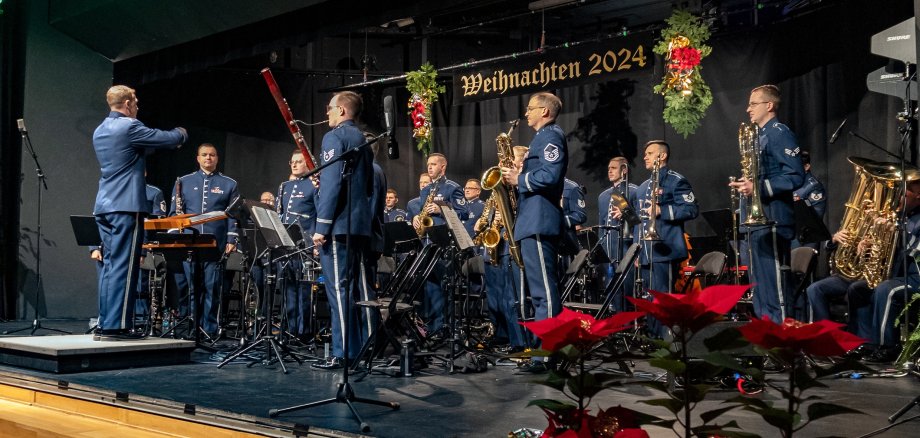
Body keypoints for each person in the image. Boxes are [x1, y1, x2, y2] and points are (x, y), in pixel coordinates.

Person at [92, 85, 187, 341]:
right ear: (127, 104)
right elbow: (165, 138)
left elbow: (137, 150)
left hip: (105, 204)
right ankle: (117, 327)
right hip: (126, 205)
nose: (137, 108)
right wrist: (181, 133)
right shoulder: (129, 126)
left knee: (110, 266)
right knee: (125, 266)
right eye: (135, 103)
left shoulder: (100, 130)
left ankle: (105, 323)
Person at [501, 92, 567, 373]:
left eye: (530, 109)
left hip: (539, 220)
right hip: (531, 220)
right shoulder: (542, 138)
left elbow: (551, 176)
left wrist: (521, 177)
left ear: (545, 111)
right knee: (539, 292)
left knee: (545, 293)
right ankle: (542, 352)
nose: (526, 114)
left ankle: (548, 354)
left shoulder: (551, 136)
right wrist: (521, 171)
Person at [729, 85, 805, 323]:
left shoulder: (779, 132)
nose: (747, 108)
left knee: (775, 289)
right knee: (760, 290)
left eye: (753, 104)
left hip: (772, 219)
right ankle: (767, 339)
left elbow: (795, 176)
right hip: (755, 223)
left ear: (769, 106)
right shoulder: (758, 135)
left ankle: (782, 343)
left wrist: (758, 188)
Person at [311, 91, 376, 370]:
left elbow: (333, 186)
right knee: (357, 292)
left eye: (329, 109)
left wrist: (321, 226)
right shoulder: (364, 140)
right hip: (359, 225)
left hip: (338, 226)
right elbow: (369, 187)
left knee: (338, 292)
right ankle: (362, 348)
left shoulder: (334, 137)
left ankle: (342, 352)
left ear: (341, 110)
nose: (327, 114)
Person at [169, 143, 240, 338]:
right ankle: (192, 327)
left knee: (212, 287)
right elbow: (174, 214)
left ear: (217, 158)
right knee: (192, 287)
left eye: (212, 155)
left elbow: (233, 216)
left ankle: (209, 329)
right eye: (204, 155)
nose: (208, 158)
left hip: (214, 245)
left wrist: (231, 239)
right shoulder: (182, 181)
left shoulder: (229, 183)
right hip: (188, 244)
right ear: (198, 158)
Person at [849, 179, 920, 363]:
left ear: (918, 195)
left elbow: (913, 248)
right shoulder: (901, 217)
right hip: (900, 275)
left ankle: (887, 347)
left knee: (886, 290)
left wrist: (895, 231)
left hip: (916, 278)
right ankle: (865, 343)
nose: (898, 198)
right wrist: (872, 242)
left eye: (904, 194)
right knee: (859, 289)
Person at [634, 140, 699, 338]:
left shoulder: (676, 180)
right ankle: (654, 340)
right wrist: (637, 250)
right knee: (649, 298)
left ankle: (667, 340)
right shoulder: (643, 186)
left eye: (650, 153)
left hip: (665, 249)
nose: (645, 157)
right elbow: (640, 221)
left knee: (663, 299)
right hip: (646, 251)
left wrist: (663, 210)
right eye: (645, 153)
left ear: (662, 156)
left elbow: (691, 209)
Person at [412, 153, 469, 336]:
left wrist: (441, 209)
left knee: (446, 286)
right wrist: (416, 218)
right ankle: (435, 328)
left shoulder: (453, 188)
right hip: (428, 243)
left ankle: (448, 328)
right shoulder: (425, 190)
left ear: (443, 167)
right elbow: (423, 212)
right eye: (428, 164)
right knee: (431, 288)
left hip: (445, 245)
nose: (430, 167)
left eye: (434, 164)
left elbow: (464, 214)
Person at [276, 149, 318, 343]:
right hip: (286, 245)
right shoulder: (284, 186)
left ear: (307, 164)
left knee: (303, 290)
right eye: (292, 162)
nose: (294, 164)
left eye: (299, 161)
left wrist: (316, 244)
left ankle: (304, 332)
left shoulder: (314, 185)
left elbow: (318, 215)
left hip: (305, 245)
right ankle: (290, 328)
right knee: (287, 288)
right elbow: (280, 214)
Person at [598, 156, 638, 311]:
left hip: (626, 250)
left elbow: (638, 224)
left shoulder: (634, 191)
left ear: (624, 170)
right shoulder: (603, 196)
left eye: (613, 168)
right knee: (611, 293)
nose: (610, 171)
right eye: (609, 168)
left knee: (627, 291)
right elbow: (602, 227)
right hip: (608, 252)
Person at [792, 150, 827, 250]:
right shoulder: (791, 183)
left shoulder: (814, 187)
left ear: (806, 167)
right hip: (791, 237)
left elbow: (814, 219)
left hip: (804, 241)